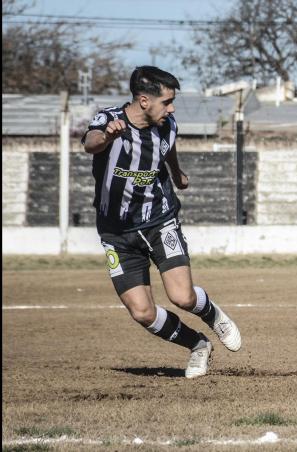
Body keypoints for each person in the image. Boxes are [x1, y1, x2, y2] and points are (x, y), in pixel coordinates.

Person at [82, 66, 241, 379]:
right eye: (166, 102)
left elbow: (167, 152)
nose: (171, 108)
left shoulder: (167, 126)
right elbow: (90, 142)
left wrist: (178, 173)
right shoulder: (108, 119)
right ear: (144, 101)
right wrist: (107, 137)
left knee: (182, 296)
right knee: (142, 312)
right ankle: (198, 345)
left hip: (159, 220)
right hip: (116, 233)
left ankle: (213, 314)